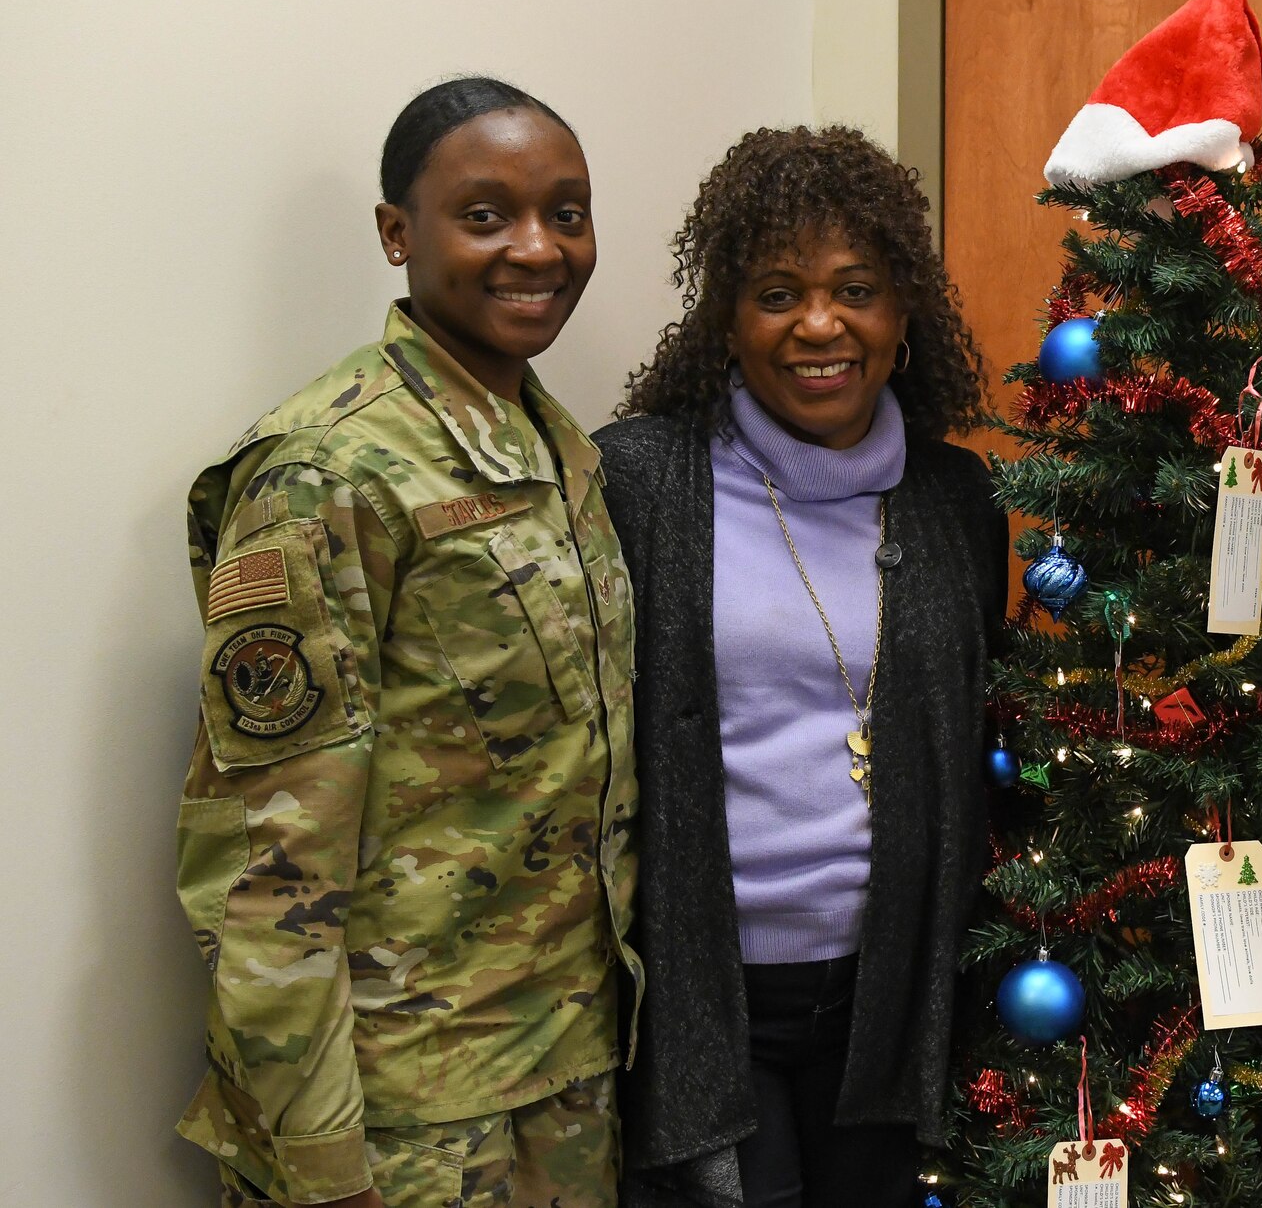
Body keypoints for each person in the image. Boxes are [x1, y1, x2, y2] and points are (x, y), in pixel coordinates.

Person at [174, 77, 642, 1208]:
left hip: (563, 1074)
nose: (537, 248)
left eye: (566, 212)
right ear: (398, 234)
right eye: (486, 215)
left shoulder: (557, 449)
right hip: (401, 1118)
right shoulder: (327, 471)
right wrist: (322, 1165)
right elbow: (266, 862)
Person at [596, 126, 1005, 1208]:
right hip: (705, 998)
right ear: (725, 320)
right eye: (776, 292)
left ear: (902, 313)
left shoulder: (958, 500)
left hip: (886, 1000)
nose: (818, 323)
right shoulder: (638, 482)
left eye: (855, 289)